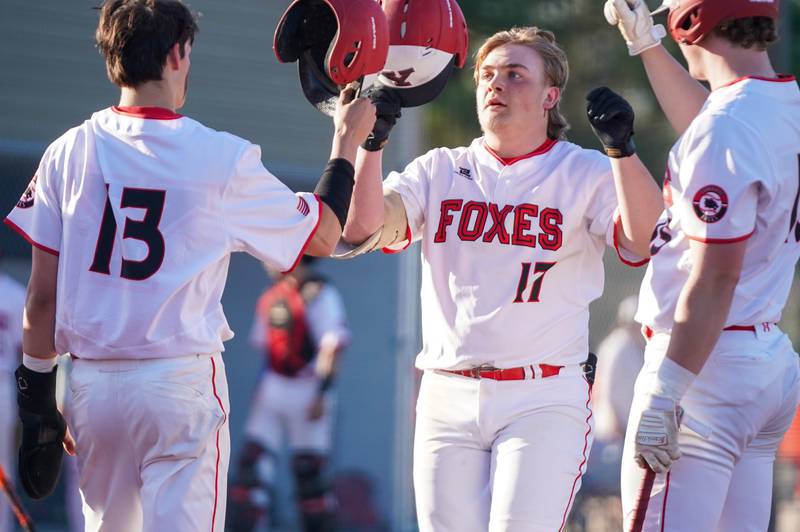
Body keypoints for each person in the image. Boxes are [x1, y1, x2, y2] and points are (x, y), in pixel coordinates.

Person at [2, 0, 376, 530]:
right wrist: (346, 141)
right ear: (178, 52)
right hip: (177, 382)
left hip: (91, 386)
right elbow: (322, 234)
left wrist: (38, 401)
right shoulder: (219, 156)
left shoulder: (67, 151)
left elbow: (41, 300)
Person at [340, 25, 664, 532]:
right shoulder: (439, 169)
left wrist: (623, 152)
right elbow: (361, 229)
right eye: (487, 75)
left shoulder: (584, 170)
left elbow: (643, 242)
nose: (496, 84)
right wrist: (372, 143)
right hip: (447, 392)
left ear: (550, 95)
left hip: (543, 395)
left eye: (516, 75)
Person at [604, 0, 800, 530]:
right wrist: (647, 47)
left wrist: (667, 389)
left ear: (689, 20)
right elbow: (713, 124)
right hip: (762, 357)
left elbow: (716, 276)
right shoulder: (783, 101)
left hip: (703, 368)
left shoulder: (728, 127)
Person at [229, 256, 349, 532]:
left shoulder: (321, 293)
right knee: (252, 471)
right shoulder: (272, 296)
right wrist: (262, 391)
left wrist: (322, 392)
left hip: (307, 389)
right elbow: (269, 350)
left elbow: (332, 346)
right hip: (274, 386)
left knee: (310, 475)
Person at [0, 257, 25, 532]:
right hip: (3, 390)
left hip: (3, 382)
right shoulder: (15, 293)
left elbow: (25, 352)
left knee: (3, 469)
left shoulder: (16, 294)